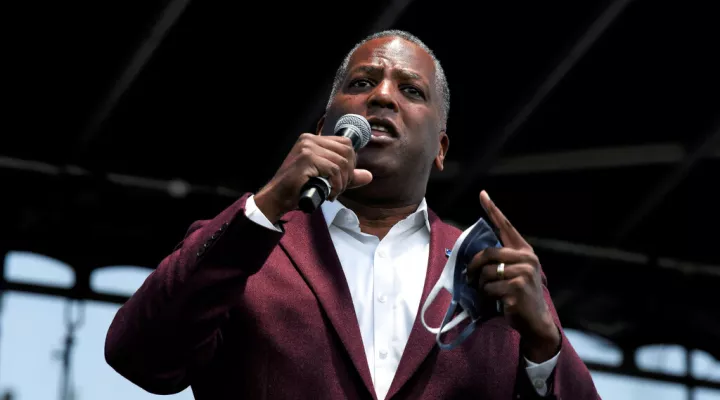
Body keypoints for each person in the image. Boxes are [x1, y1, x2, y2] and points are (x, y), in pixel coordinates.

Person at [104, 30, 600, 399]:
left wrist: (544, 344)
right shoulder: (249, 243)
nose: (382, 95)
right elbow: (139, 357)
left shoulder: (491, 270)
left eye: (410, 90)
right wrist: (268, 203)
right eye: (363, 82)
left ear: (441, 149)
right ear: (324, 127)